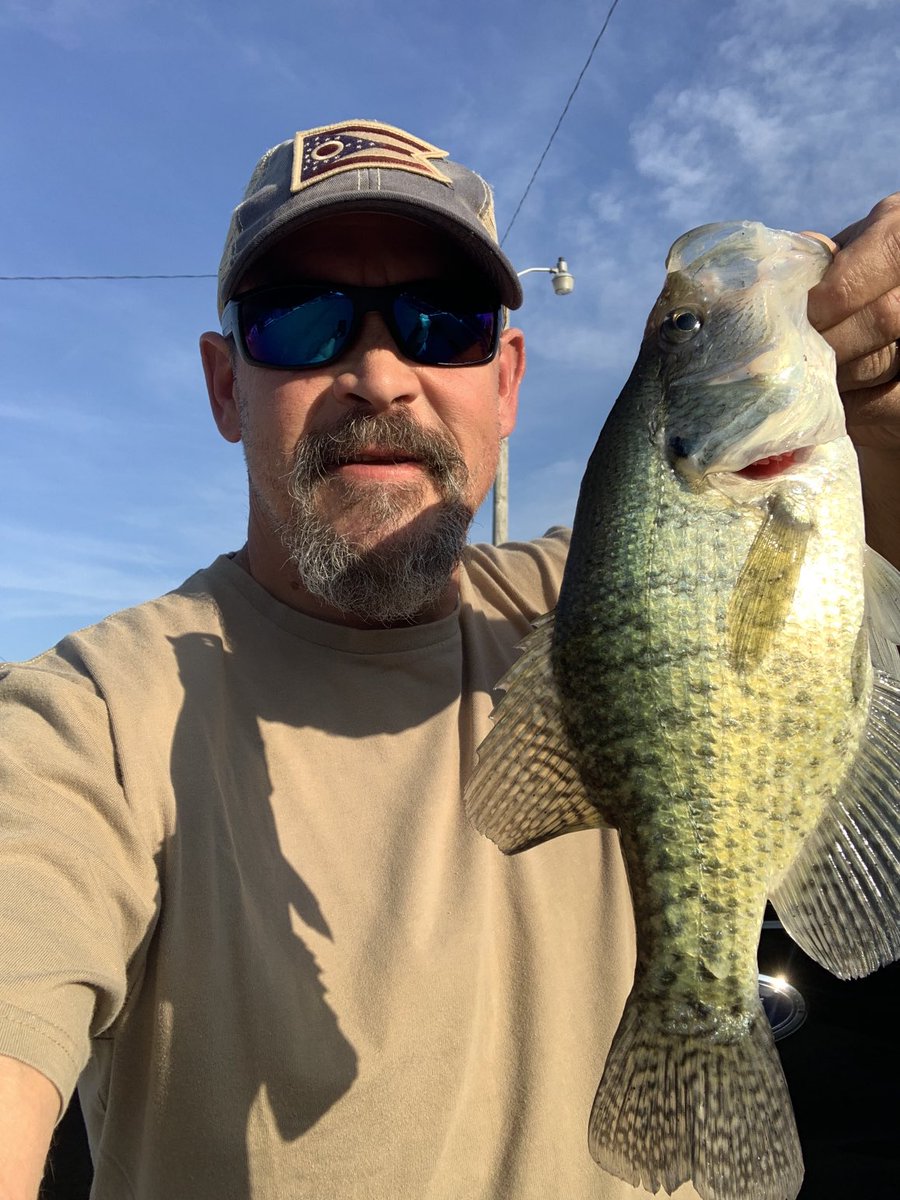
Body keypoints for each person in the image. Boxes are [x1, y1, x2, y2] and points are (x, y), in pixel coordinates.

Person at [0, 118, 898, 1200]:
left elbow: (864, 550)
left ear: (507, 382)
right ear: (226, 386)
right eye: (301, 320)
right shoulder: (83, 724)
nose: (380, 374)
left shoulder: (577, 606)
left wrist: (882, 395)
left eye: (445, 321)